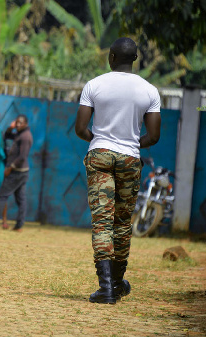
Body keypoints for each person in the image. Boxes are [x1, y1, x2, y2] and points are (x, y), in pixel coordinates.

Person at [75, 37, 161, 304]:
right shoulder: (149, 91)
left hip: (99, 154)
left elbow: (80, 128)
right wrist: (133, 143)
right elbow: (154, 135)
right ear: (135, 59)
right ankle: (116, 283)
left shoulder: (95, 85)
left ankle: (106, 289)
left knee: (102, 220)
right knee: (122, 223)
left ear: (111, 57)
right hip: (129, 158)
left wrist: (100, 142)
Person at [0, 114, 33, 231]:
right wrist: (10, 128)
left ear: (26, 124)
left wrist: (10, 168)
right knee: (20, 199)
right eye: (16, 122)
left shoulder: (25, 137)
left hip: (17, 172)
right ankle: (19, 226)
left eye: (20, 123)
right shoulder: (20, 133)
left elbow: (22, 157)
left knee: (2, 196)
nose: (17, 125)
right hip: (21, 172)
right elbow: (6, 136)